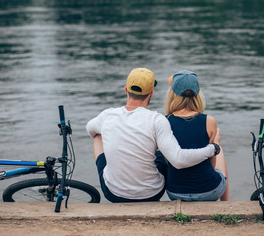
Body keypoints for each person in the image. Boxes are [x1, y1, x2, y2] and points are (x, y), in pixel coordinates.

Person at [86, 68, 221, 203]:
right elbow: (178, 160)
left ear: (126, 90)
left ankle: (118, 177)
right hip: (151, 193)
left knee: (98, 136)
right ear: (151, 93)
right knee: (159, 147)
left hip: (114, 193)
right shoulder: (157, 119)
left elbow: (90, 129)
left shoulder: (107, 115)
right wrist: (213, 149)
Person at [164, 70, 229, 201]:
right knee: (218, 150)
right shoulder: (209, 120)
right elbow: (212, 161)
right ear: (198, 94)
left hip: (175, 193)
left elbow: (167, 160)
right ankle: (226, 203)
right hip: (209, 191)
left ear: (172, 95)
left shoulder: (164, 121)